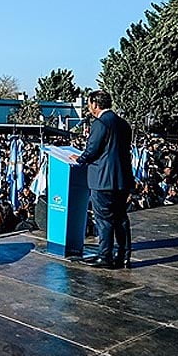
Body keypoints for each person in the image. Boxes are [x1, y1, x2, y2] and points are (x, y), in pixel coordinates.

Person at [70, 90, 133, 269]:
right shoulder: (123, 124)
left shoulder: (100, 123)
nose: (89, 108)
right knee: (121, 218)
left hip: (103, 179)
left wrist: (79, 159)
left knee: (104, 219)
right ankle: (124, 256)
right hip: (122, 179)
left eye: (89, 104)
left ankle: (105, 256)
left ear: (95, 105)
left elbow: (92, 149)